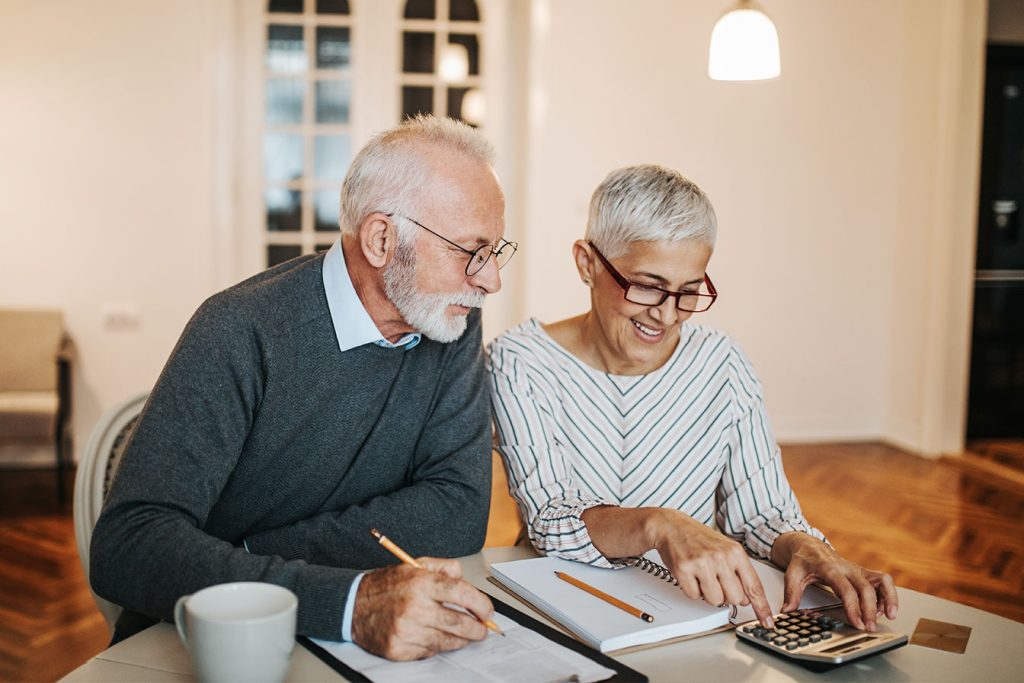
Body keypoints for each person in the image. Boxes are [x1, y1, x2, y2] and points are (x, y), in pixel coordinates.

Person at [90, 115, 518, 661]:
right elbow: (129, 546)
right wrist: (347, 599)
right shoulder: (240, 329)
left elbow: (456, 513)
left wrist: (245, 557)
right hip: (210, 644)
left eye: (496, 251)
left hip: (351, 638)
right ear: (382, 239)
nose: (490, 281)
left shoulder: (449, 321)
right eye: (470, 251)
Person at [487, 164, 897, 632]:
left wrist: (807, 547)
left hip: (696, 611)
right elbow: (550, 520)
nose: (666, 315)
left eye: (688, 292)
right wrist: (660, 525)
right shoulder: (521, 361)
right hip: (565, 605)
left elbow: (761, 513)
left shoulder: (722, 363)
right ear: (587, 263)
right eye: (647, 286)